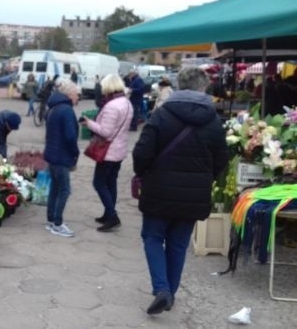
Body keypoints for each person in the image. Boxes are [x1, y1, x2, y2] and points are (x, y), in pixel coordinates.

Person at [132, 66, 228, 315]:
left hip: (158, 190)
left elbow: (141, 152)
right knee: (177, 244)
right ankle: (170, 294)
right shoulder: (213, 120)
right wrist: (204, 179)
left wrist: (143, 173)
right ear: (203, 87)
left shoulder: (162, 115)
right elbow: (221, 161)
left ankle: (162, 290)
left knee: (153, 238)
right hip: (193, 196)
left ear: (178, 84)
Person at [80, 74, 133, 232]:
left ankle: (112, 215)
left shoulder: (112, 106)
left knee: (99, 183)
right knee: (111, 182)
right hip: (120, 150)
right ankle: (108, 213)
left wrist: (88, 123)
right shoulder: (126, 103)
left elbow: (106, 132)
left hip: (108, 152)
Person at [43, 79, 80, 238]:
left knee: (55, 188)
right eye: (77, 94)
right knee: (64, 190)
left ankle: (51, 220)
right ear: (70, 94)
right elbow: (70, 137)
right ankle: (57, 224)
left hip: (52, 153)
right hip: (61, 155)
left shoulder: (53, 107)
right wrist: (75, 153)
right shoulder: (66, 110)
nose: (78, 97)